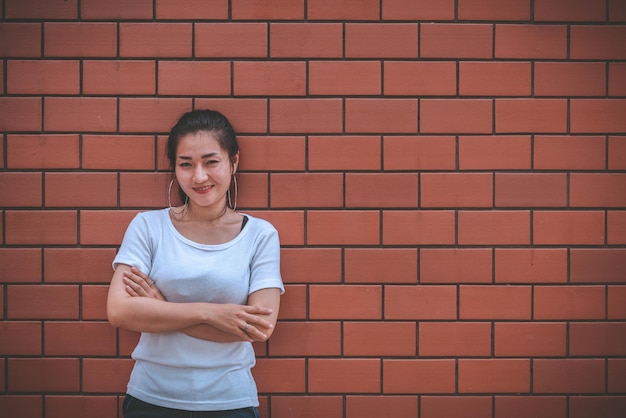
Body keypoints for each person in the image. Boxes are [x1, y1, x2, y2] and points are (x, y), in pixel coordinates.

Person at [107, 109, 284, 418]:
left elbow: (259, 328)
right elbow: (119, 311)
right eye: (186, 164)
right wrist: (211, 313)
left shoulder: (260, 235)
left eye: (211, 162)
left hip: (230, 402)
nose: (199, 176)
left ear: (234, 162)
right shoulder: (148, 226)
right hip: (151, 398)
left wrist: (160, 307)